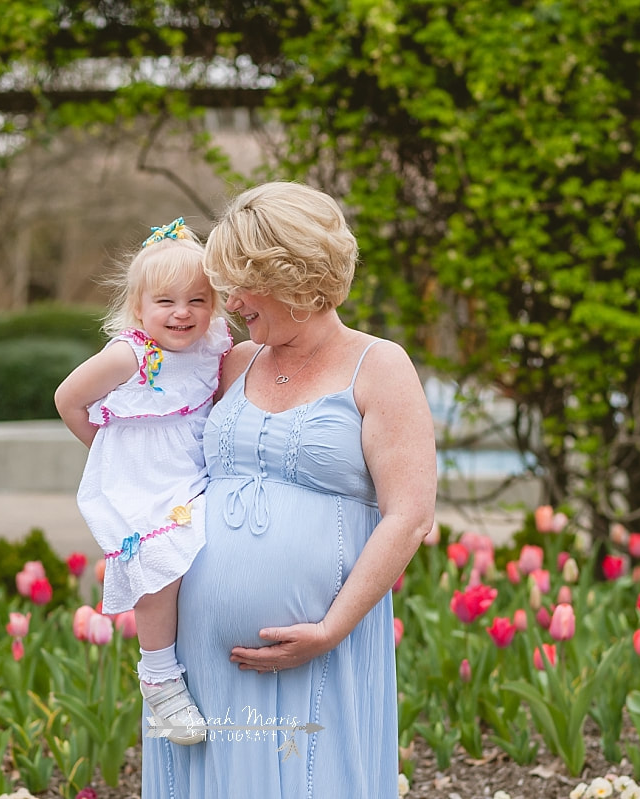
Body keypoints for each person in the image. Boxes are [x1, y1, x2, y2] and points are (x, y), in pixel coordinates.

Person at [141, 183, 439, 797]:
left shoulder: (379, 366)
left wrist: (331, 628)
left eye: (241, 282)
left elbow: (408, 516)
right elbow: (144, 445)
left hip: (321, 650)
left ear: (293, 275)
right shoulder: (230, 361)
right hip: (199, 654)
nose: (227, 300)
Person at [55, 217, 232, 746]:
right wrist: (108, 455)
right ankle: (158, 677)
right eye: (166, 302)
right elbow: (67, 400)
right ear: (139, 307)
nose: (183, 313)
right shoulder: (129, 355)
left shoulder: (214, 344)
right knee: (158, 570)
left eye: (198, 301)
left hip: (195, 471)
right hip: (143, 481)